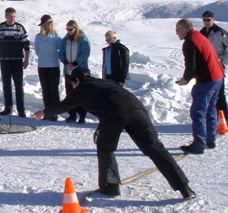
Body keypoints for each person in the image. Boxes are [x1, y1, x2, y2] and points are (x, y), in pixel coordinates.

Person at [32, 66, 196, 201]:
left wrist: (43, 112)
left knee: (105, 148)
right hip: (137, 110)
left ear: (77, 80)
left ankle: (110, 187)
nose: (72, 86)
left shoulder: (82, 88)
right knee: (155, 148)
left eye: (72, 83)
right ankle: (184, 188)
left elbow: (63, 106)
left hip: (115, 114)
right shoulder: (104, 82)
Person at [175, 19, 225, 154]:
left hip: (207, 80)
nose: (176, 33)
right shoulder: (199, 36)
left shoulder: (190, 41)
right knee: (210, 108)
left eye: (178, 30)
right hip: (218, 77)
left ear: (184, 28)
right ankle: (210, 139)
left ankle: (199, 144)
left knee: (198, 112)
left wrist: (185, 79)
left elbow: (190, 65)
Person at [0, 7, 30, 118]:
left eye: (14, 17)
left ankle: (21, 109)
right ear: (6, 16)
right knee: (6, 85)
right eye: (10, 17)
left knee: (18, 86)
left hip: (17, 61)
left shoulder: (19, 28)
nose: (12, 19)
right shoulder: (0, 28)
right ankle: (8, 108)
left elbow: (26, 45)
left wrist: (26, 59)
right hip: (4, 61)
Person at [59, 20, 91, 124]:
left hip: (80, 70)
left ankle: (82, 116)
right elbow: (61, 53)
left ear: (75, 28)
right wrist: (66, 63)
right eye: (67, 29)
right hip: (68, 71)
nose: (69, 31)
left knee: (81, 93)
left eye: (70, 29)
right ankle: (72, 115)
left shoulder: (83, 39)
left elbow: (85, 53)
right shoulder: (65, 40)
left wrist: (75, 63)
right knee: (70, 93)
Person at [200, 10, 228, 123]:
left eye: (208, 20)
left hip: (218, 65)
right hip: (206, 66)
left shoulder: (220, 32)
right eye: (204, 20)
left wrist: (223, 61)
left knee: (219, 92)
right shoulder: (201, 33)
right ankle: (212, 118)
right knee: (208, 92)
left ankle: (224, 118)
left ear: (213, 19)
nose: (206, 22)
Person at [34, 15, 61, 121]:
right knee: (45, 90)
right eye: (47, 22)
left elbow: (60, 49)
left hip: (53, 66)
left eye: (50, 22)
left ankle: (55, 113)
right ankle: (47, 112)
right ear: (43, 24)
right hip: (42, 66)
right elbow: (37, 50)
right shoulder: (38, 36)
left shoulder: (56, 36)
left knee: (54, 90)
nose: (49, 24)